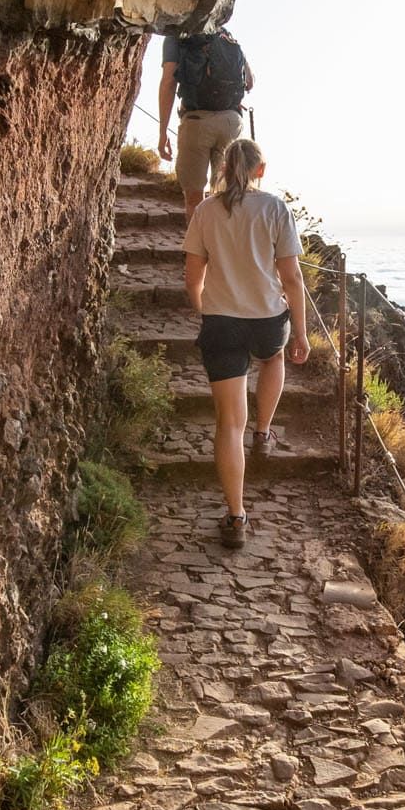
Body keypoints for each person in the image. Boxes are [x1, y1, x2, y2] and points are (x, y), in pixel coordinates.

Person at [181, 139, 310, 549]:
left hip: (222, 323)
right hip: (267, 319)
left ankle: (236, 516)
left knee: (227, 424)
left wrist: (207, 309)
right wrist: (302, 332)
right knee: (273, 359)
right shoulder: (275, 209)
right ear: (260, 170)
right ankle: (264, 432)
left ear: (221, 169)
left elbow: (192, 276)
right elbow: (292, 278)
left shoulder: (205, 210)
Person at [158, 29, 254, 222]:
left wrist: (162, 132)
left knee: (194, 199)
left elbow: (169, 82)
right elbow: (250, 82)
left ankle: (198, 251)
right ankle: (224, 249)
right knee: (226, 193)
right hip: (231, 123)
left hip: (196, 123)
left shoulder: (176, 35)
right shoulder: (225, 34)